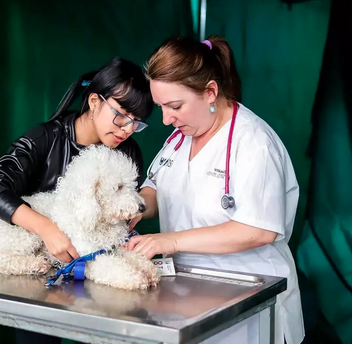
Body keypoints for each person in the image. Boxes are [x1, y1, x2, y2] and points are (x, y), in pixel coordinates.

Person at [127, 35, 306, 344]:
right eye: (160, 107)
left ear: (210, 92)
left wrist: (168, 241)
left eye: (175, 106)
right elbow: (155, 189)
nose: (167, 120)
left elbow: (256, 230)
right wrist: (134, 206)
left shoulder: (253, 142)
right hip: (189, 296)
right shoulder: (179, 139)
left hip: (250, 293)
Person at [0, 57, 154, 344]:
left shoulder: (128, 152)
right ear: (94, 101)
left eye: (137, 123)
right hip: (41, 278)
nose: (127, 129)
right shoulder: (44, 138)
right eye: (121, 115)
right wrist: (45, 228)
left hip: (103, 278)